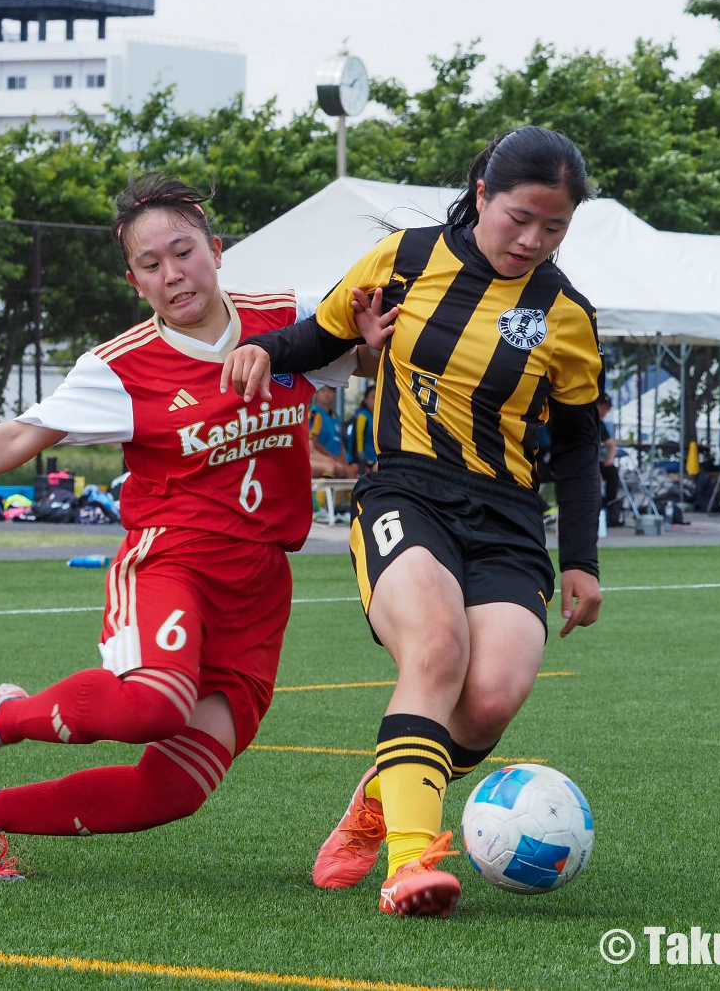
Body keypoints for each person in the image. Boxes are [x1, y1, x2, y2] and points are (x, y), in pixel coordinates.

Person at [0, 174, 377, 882]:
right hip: (173, 562)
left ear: (217, 251)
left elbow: (367, 354)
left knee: (176, 791)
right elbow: (18, 438)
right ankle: (3, 717)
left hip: (259, 588)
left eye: (183, 252)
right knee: (154, 704)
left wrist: (372, 343)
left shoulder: (291, 317)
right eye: (151, 266)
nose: (172, 274)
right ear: (136, 283)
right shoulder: (120, 366)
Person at [221, 126, 604, 917]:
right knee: (435, 647)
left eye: (554, 227)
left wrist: (581, 559)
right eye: (519, 217)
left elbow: (576, 447)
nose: (531, 239)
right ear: (484, 195)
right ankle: (410, 864)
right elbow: (319, 334)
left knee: (492, 698)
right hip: (407, 493)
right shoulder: (405, 258)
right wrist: (263, 348)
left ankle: (376, 803)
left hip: (506, 519)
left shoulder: (565, 315)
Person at [308, 385, 357, 478]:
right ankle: (323, 492)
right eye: (323, 391)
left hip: (335, 458)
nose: (327, 394)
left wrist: (344, 460)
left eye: (330, 391)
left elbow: (340, 443)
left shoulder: (336, 417)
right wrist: (333, 458)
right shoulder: (315, 414)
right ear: (316, 393)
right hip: (323, 458)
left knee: (353, 469)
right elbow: (313, 443)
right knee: (335, 468)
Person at [597, 395, 622, 524]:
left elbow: (611, 444)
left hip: (596, 461)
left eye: (606, 409)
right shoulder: (588, 422)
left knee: (612, 471)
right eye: (603, 408)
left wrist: (609, 459)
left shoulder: (600, 424)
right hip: (583, 462)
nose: (604, 412)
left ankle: (610, 502)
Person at [347, 384, 378, 473]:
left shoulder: (380, 417)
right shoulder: (363, 417)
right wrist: (359, 461)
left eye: (378, 396)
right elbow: (357, 440)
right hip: (364, 460)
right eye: (373, 397)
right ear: (366, 400)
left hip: (375, 458)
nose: (376, 400)